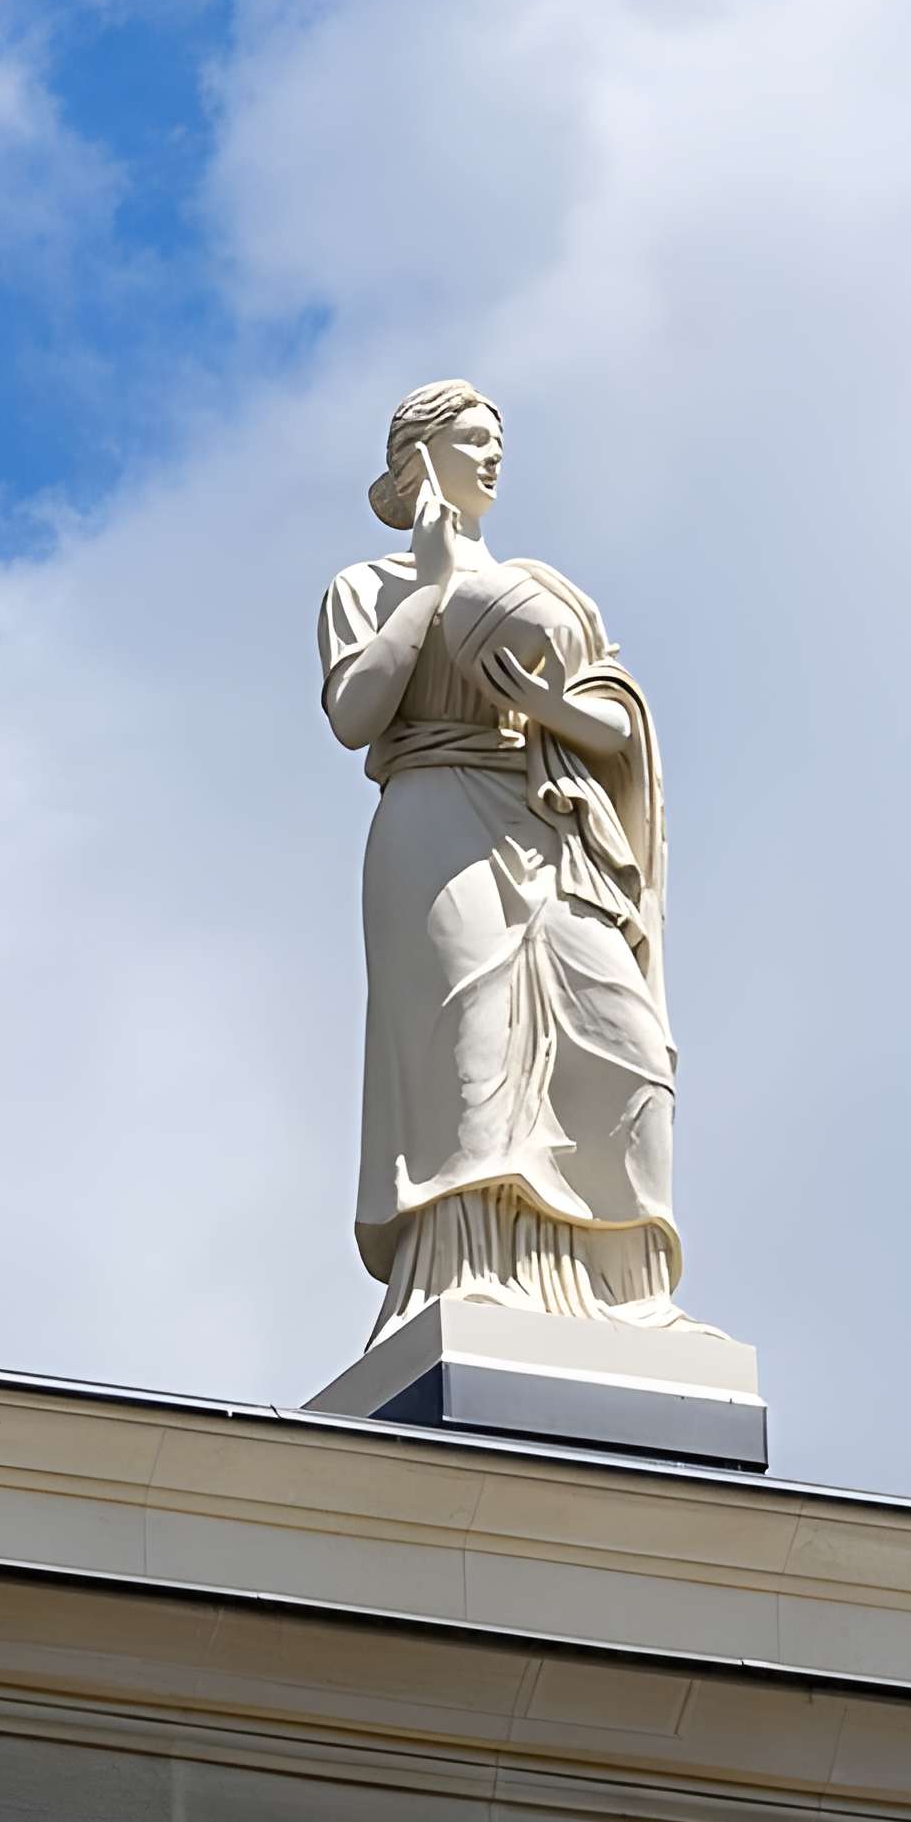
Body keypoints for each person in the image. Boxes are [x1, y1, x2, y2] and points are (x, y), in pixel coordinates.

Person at [318, 379, 684, 1344]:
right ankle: (468, 1267)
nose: (493, 457)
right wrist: (435, 588)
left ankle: (622, 1280)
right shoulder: (366, 587)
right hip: (436, 825)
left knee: (624, 1043)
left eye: (498, 443)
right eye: (475, 440)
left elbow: (613, 721)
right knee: (468, 1043)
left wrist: (547, 704)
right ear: (420, 457)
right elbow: (356, 713)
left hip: (549, 827)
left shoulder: (547, 592)